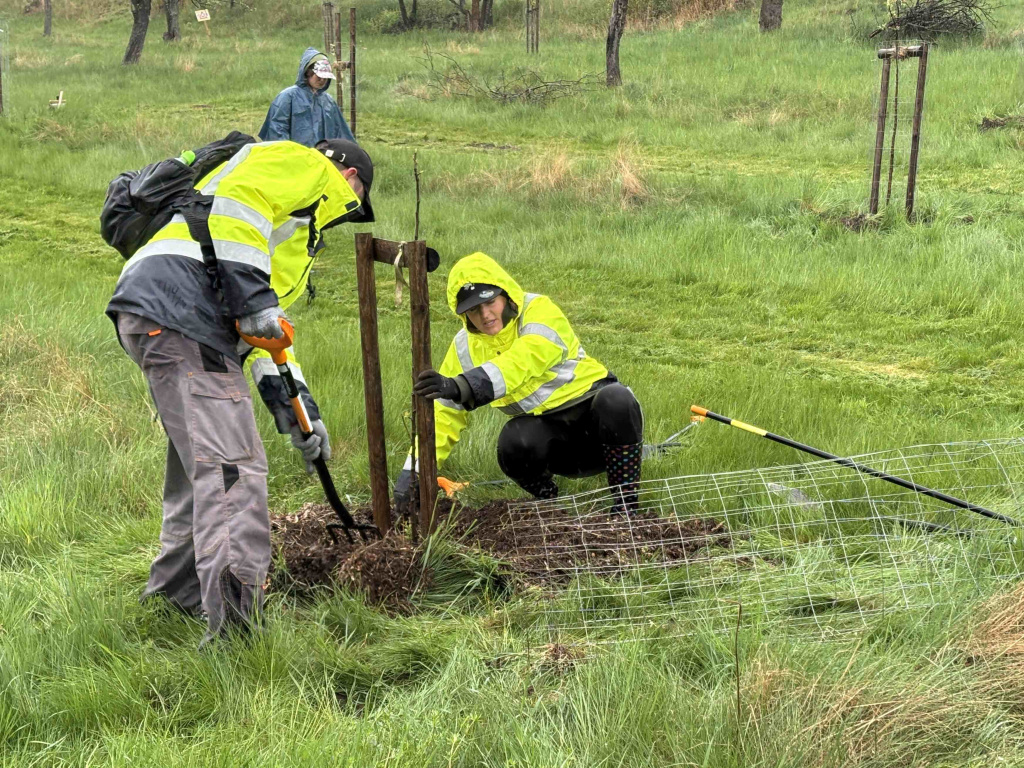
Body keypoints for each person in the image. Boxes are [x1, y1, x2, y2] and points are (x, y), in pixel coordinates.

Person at [106, 138, 375, 648]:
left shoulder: (279, 233)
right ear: (350, 178)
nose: (347, 212)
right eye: (357, 198)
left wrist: (298, 411)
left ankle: (176, 597)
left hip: (163, 309)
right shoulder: (306, 165)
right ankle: (236, 634)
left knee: (203, 469)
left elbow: (266, 336)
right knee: (233, 473)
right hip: (185, 311)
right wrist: (254, 299)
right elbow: (239, 205)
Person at [393, 253, 644, 513]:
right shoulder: (464, 347)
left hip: (599, 427)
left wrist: (464, 386)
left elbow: (524, 359)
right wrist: (414, 471)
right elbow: (444, 415)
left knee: (617, 400)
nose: (485, 315)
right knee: (513, 442)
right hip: (555, 443)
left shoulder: (538, 311)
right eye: (473, 309)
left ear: (506, 294)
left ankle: (626, 507)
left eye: (490, 302)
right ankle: (550, 505)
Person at [259, 48, 354, 146]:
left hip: (322, 153)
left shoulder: (328, 101)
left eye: (326, 77)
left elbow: (341, 133)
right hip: (295, 153)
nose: (322, 80)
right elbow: (277, 129)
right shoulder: (288, 97)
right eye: (319, 76)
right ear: (308, 73)